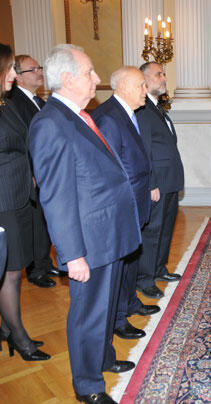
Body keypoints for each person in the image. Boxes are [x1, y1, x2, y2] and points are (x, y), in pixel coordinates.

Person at [29, 44, 141, 404]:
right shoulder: (50, 124)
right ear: (67, 79)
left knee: (105, 308)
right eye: (89, 72)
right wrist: (72, 254)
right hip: (89, 241)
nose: (97, 78)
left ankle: (103, 358)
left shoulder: (77, 115)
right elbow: (56, 197)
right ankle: (88, 386)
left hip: (108, 233)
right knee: (88, 314)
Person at [92, 66, 160, 341]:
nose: (145, 90)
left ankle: (130, 302)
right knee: (120, 263)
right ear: (122, 87)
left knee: (132, 257)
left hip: (136, 198)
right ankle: (118, 318)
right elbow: (110, 170)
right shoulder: (109, 117)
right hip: (123, 203)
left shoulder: (128, 112)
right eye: (140, 85)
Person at [0, 43, 50, 361]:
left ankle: (7, 329)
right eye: (9, 69)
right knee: (10, 272)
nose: (13, 75)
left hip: (17, 194)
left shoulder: (6, 103)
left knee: (12, 268)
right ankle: (19, 338)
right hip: (3, 200)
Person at [135, 62, 184, 299]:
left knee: (165, 228)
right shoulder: (142, 109)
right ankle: (144, 279)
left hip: (169, 180)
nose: (164, 78)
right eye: (159, 74)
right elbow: (144, 150)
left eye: (164, 74)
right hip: (157, 183)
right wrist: (151, 183)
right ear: (144, 79)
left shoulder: (156, 107)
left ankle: (158, 269)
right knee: (153, 231)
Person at [9, 54, 59, 288]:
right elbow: (23, 141)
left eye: (40, 68)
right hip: (31, 173)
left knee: (44, 220)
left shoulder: (39, 100)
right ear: (18, 76)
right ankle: (35, 270)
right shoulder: (14, 102)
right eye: (33, 69)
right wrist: (31, 171)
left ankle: (44, 261)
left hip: (46, 170)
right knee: (34, 221)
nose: (40, 72)